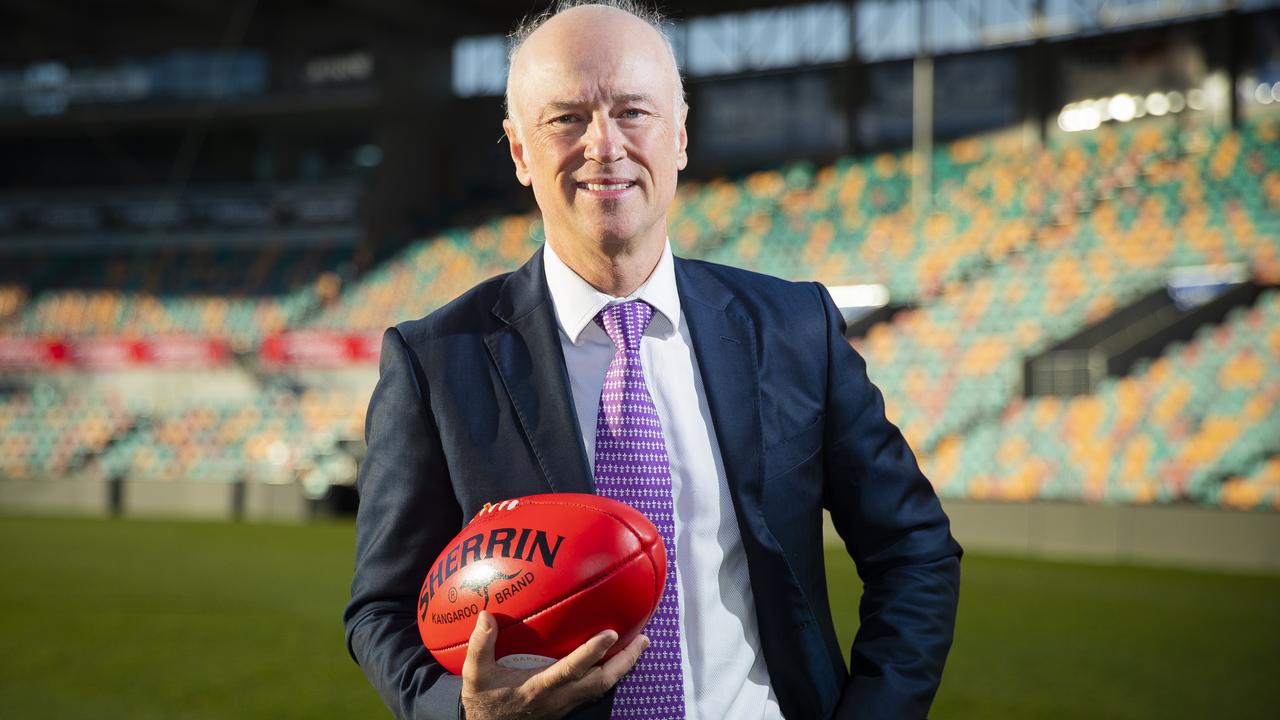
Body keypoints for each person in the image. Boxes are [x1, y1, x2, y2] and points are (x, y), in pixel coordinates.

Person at [343, 2, 962, 719]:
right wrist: (464, 710)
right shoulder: (434, 364)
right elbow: (379, 609)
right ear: (518, 151)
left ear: (680, 137)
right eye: (566, 118)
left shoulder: (795, 329)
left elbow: (914, 550)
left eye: (633, 111)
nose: (604, 145)